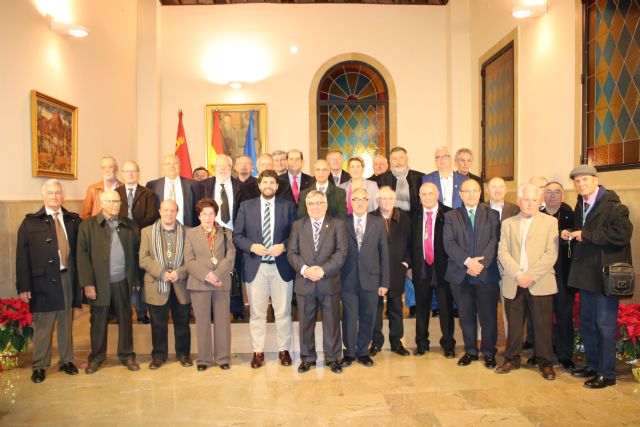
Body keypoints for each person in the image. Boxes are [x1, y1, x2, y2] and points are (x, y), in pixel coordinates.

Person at [561, 165, 633, 389]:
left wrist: (587, 235)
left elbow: (622, 234)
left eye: (584, 180)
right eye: (577, 181)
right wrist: (569, 234)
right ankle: (593, 366)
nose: (580, 184)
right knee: (587, 324)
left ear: (595, 180)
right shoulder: (581, 204)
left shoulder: (614, 206)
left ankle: (607, 373)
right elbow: (581, 233)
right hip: (586, 276)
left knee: (605, 326)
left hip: (603, 276)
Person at [16, 179, 82, 383]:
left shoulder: (73, 220)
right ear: (43, 195)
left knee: (65, 322)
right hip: (42, 281)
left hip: (66, 277)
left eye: (58, 193)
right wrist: (24, 286)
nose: (55, 196)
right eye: (51, 193)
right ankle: (40, 365)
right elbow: (22, 257)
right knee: (43, 325)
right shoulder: (30, 222)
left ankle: (66, 360)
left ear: (63, 196)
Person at [233, 170, 297, 368]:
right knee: (257, 313)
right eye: (265, 182)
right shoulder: (246, 206)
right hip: (256, 267)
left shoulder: (288, 206)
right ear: (259, 185)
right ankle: (258, 352)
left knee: (283, 312)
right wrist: (252, 246)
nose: (268, 186)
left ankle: (284, 350)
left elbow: (296, 234)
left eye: (272, 182)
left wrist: (284, 246)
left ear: (277, 186)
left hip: (281, 268)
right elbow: (237, 236)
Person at [496, 183, 559, 381]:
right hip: (514, 282)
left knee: (542, 326)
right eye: (526, 199)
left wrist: (530, 275)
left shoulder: (550, 222)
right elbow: (503, 253)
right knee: (514, 325)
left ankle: (545, 363)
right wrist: (517, 274)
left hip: (539, 282)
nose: (530, 203)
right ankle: (511, 359)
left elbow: (551, 254)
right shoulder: (508, 223)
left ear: (539, 201)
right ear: (518, 202)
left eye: (534, 199)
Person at [77, 190, 141, 374]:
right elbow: (82, 256)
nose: (115, 204)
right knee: (98, 322)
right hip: (99, 283)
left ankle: (127, 355)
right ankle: (96, 358)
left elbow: (137, 253)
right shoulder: (88, 226)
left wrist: (135, 278)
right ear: (102, 203)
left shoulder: (129, 225)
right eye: (111, 201)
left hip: (123, 281)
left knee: (126, 319)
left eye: (118, 201)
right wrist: (88, 284)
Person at [287, 190, 348, 374]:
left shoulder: (337, 224)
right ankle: (307, 358)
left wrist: (322, 270)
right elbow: (291, 253)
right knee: (305, 322)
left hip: (328, 281)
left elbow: (341, 252)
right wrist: (306, 270)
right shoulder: (298, 225)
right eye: (311, 203)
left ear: (326, 204)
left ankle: (332, 358)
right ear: (306, 206)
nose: (315, 207)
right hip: (305, 282)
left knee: (331, 322)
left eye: (319, 203)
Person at [443, 179, 501, 368]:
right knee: (466, 316)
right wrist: (468, 262)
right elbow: (449, 243)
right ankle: (470, 351)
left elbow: (494, 241)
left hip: (486, 274)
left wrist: (481, 264)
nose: (470, 194)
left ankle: (489, 352)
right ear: (460, 194)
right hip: (461, 273)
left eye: (474, 190)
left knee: (488, 317)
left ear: (480, 193)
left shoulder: (492, 214)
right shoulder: (451, 216)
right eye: (466, 191)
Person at [138, 199, 192, 370]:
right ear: (160, 211)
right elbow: (144, 258)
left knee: (182, 322)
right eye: (166, 210)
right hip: (156, 284)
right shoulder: (146, 232)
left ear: (177, 212)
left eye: (173, 210)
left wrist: (179, 273)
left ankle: (183, 354)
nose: (169, 213)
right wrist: (162, 273)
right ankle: (159, 356)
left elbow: (192, 259)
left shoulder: (188, 232)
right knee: (158, 324)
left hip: (180, 284)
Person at [340, 188, 389, 368]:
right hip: (348, 278)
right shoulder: (342, 222)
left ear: (368, 201)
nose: (359, 202)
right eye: (356, 199)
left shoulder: (377, 223)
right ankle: (349, 352)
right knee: (349, 317)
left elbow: (384, 254)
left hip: (371, 279)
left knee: (369, 316)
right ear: (350, 202)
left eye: (363, 199)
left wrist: (384, 282)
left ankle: (363, 352)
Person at [184, 198, 236, 371]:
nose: (208, 217)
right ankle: (204, 360)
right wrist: (207, 275)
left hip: (221, 282)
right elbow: (189, 261)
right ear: (199, 216)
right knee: (202, 323)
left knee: (222, 322)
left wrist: (217, 274)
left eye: (211, 214)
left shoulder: (226, 232)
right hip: (199, 283)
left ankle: (223, 358)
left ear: (215, 215)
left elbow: (230, 256)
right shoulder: (190, 234)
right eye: (204, 214)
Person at [410, 182, 455, 358]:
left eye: (430, 193)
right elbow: (409, 243)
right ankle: (421, 343)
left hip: (442, 267)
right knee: (421, 306)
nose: (427, 197)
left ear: (437, 194)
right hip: (421, 267)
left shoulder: (449, 214)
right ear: (419, 196)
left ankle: (448, 343)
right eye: (423, 194)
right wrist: (410, 265)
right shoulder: (414, 215)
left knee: (445, 307)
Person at [201, 154, 245, 320]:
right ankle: (212, 310)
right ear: (213, 168)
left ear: (231, 167)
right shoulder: (203, 186)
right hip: (210, 235)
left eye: (226, 166)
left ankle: (236, 309)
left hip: (233, 235)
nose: (222, 169)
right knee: (212, 270)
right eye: (219, 166)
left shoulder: (241, 187)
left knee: (234, 272)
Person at [370, 187, 412, 357]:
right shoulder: (370, 218)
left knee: (396, 308)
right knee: (375, 309)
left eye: (389, 199)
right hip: (375, 271)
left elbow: (411, 244)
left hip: (396, 270)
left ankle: (397, 342)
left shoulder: (404, 219)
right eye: (382, 199)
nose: (386, 202)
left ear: (394, 200)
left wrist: (406, 263)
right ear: (377, 201)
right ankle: (376, 343)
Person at [117, 160, 159, 324]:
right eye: (127, 171)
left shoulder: (148, 194)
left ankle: (142, 312)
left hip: (141, 239)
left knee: (140, 276)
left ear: (138, 173)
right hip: (119, 240)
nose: (130, 174)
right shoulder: (116, 193)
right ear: (122, 173)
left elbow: (151, 217)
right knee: (122, 276)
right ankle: (122, 312)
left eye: (133, 171)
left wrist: (134, 231)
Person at [541, 181, 575, 370]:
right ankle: (543, 353)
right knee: (542, 316)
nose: (553, 196)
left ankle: (565, 355)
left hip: (563, 272)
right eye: (549, 192)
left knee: (563, 314)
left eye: (557, 192)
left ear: (563, 195)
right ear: (543, 195)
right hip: (543, 272)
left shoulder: (570, 213)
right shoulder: (538, 214)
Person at [485, 176, 520, 336]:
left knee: (509, 305)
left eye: (500, 186)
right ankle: (482, 340)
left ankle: (510, 341)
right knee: (485, 305)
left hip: (508, 264)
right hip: (486, 265)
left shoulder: (516, 210)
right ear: (487, 190)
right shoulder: (480, 209)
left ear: (506, 190)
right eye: (493, 186)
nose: (497, 190)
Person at [146, 154, 201, 227]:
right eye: (168, 163)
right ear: (163, 167)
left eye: (175, 163)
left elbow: (200, 210)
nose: (171, 166)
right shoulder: (152, 186)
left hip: (188, 232)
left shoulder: (194, 185)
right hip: (160, 232)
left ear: (180, 166)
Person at [376, 147, 425, 214]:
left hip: (415, 219)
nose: (398, 162)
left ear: (407, 159)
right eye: (394, 159)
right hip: (390, 220)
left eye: (401, 158)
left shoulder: (421, 177)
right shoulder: (381, 179)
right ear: (390, 161)